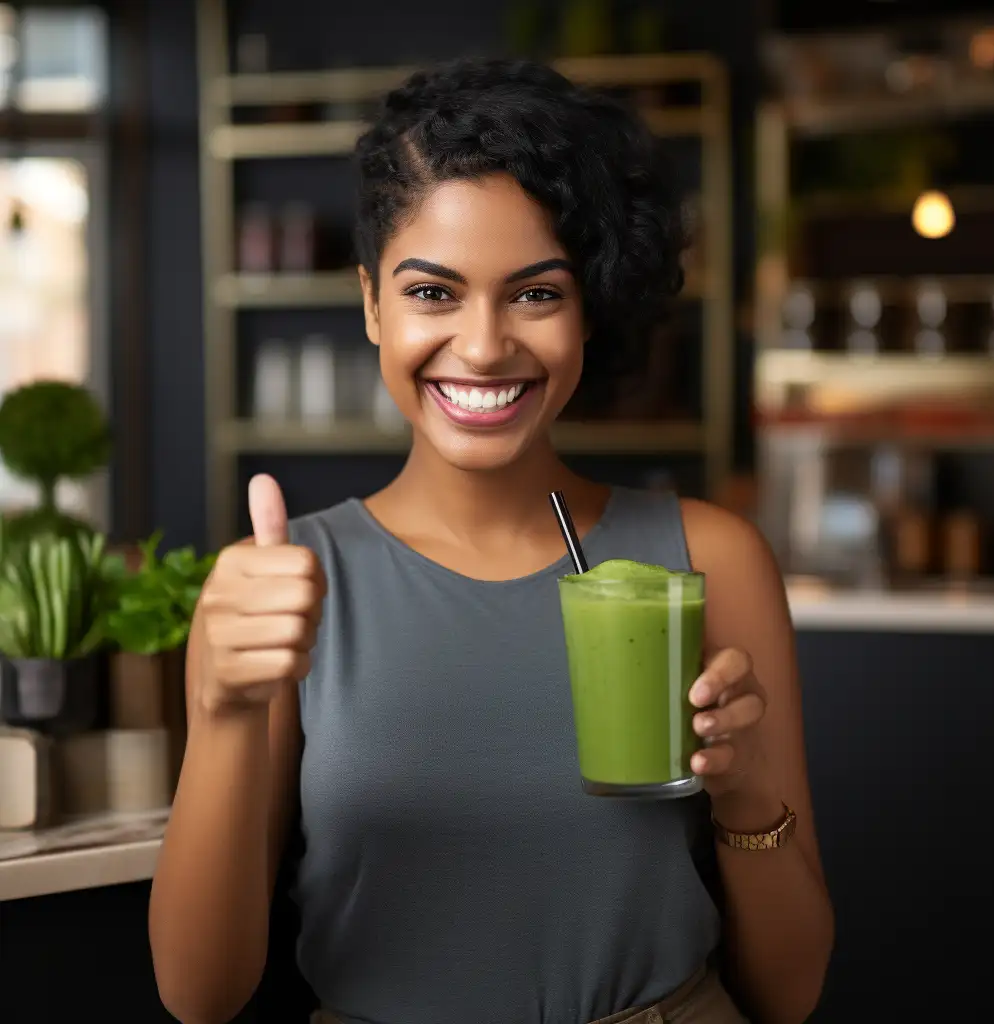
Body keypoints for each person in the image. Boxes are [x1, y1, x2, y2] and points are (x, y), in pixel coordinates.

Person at [150, 57, 833, 1024]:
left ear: (587, 308)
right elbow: (197, 994)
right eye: (433, 293)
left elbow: (792, 995)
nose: (482, 346)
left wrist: (747, 793)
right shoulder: (284, 589)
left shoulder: (710, 559)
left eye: (535, 294)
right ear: (371, 303)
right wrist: (221, 707)